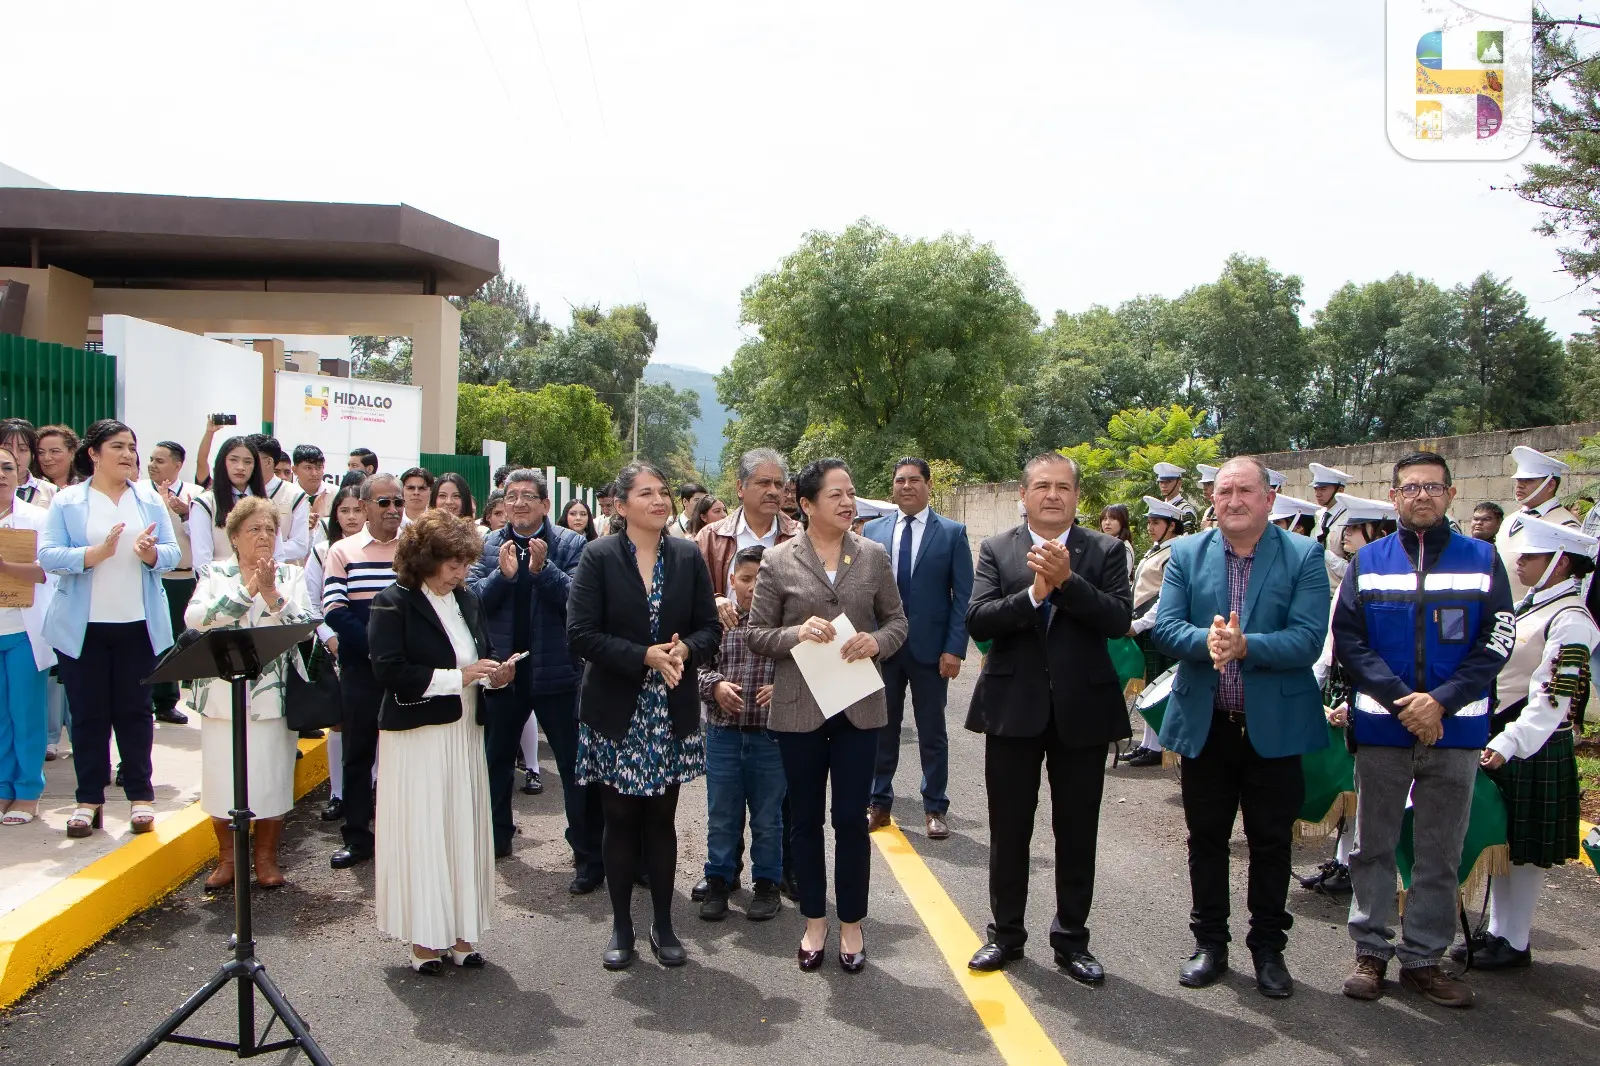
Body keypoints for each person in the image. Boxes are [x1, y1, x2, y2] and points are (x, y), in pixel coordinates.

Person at [1334, 451, 1515, 1008]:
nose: (1421, 496)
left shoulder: (1483, 560)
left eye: (1432, 487)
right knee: (1373, 845)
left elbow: (1497, 641)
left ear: (1450, 494)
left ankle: (1423, 959)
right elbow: (1350, 642)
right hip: (1383, 730)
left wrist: (1439, 702)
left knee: (1440, 850)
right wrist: (1401, 701)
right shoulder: (1369, 562)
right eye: (1410, 487)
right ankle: (1370, 950)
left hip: (1454, 732)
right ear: (1394, 497)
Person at [1152, 457, 1331, 999]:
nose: (1232, 500)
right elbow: (1166, 628)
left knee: (1271, 843)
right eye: (1224, 491)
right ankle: (1210, 942)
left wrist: (1247, 645)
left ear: (1269, 499)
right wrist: (1206, 644)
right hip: (1209, 727)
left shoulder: (1304, 555)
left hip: (1273, 729)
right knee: (1206, 839)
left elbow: (1307, 639)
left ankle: (1268, 949)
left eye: (1245, 491)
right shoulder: (1186, 553)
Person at [962, 453, 1130, 983]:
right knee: (1009, 829)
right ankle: (1005, 935)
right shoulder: (997, 549)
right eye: (1042, 486)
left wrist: (1068, 583)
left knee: (1077, 832)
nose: (1053, 494)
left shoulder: (1105, 550)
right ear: (1025, 493)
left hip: (1083, 710)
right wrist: (1035, 594)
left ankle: (1072, 940)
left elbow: (1119, 619)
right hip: (1013, 710)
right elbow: (978, 619)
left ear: (1077, 497)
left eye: (1063, 487)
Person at [747, 458, 907, 974]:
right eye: (835, 494)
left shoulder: (874, 554)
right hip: (800, 710)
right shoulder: (777, 560)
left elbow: (898, 621)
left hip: (860, 706)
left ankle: (853, 925)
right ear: (807, 504)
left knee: (850, 822)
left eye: (851, 492)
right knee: (806, 821)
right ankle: (814, 920)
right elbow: (756, 634)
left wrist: (876, 642)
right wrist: (797, 634)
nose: (847, 502)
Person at [568, 460, 720, 969]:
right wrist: (643, 655)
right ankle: (621, 925)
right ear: (621, 504)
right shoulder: (598, 557)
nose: (660, 501)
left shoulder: (686, 556)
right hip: (617, 708)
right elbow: (581, 634)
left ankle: (664, 922)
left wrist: (683, 652)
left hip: (669, 709)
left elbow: (707, 629)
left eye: (664, 493)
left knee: (662, 818)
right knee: (619, 818)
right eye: (647, 493)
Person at [369, 509, 516, 974]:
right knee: (426, 832)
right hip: (419, 739)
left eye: (464, 562)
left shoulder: (467, 600)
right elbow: (389, 671)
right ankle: (423, 940)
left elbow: (478, 659)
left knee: (460, 831)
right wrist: (459, 677)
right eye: (451, 563)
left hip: (464, 733)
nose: (460, 571)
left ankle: (459, 934)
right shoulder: (392, 602)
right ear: (425, 559)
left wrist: (496, 675)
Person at [1449, 517, 1597, 970]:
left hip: (1535, 743)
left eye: (1531, 557)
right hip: (1508, 735)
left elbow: (1556, 696)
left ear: (1561, 561)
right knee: (1506, 841)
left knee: (1525, 848)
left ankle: (1513, 939)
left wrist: (1511, 741)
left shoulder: (1571, 619)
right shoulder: (1533, 606)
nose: (1522, 564)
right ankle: (1498, 931)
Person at [38, 419, 180, 839]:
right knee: (88, 716)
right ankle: (89, 800)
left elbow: (173, 552)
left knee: (135, 714)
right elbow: (48, 555)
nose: (128, 455)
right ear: (93, 454)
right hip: (84, 630)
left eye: (132, 447)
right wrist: (92, 553)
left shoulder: (148, 500)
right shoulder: (68, 501)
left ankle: (140, 796)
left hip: (137, 625)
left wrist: (152, 554)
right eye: (117, 446)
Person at [468, 469, 596, 871]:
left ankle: (587, 853)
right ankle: (496, 839)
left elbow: (581, 602)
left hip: (558, 673)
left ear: (545, 504)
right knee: (496, 761)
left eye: (528, 495)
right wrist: (501, 579)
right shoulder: (488, 545)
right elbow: (470, 603)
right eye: (511, 495)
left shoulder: (572, 543)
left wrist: (545, 572)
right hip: (504, 674)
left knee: (574, 765)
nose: (518, 502)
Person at [185, 496, 315, 891]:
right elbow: (196, 618)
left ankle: (265, 859)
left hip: (270, 698)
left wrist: (272, 593)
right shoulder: (214, 572)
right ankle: (228, 859)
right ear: (235, 536)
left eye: (271, 530)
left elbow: (305, 625)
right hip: (222, 698)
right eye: (254, 529)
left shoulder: (290, 575)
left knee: (270, 778)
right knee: (222, 780)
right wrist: (247, 590)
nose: (264, 536)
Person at [862, 457, 972, 841]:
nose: (906, 486)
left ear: (927, 485)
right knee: (881, 728)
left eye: (914, 480)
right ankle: (879, 803)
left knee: (932, 731)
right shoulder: (872, 531)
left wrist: (954, 648)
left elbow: (963, 598)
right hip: (883, 648)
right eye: (900, 480)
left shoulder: (952, 533)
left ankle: (935, 808)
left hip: (931, 650)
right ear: (892, 486)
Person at [1299, 493, 1398, 896]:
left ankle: (1358, 866)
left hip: (1371, 688)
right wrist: (1316, 681)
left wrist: (1357, 694)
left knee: (1365, 786)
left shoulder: (1388, 579)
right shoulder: (1356, 573)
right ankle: (1343, 860)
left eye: (1356, 530)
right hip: (1344, 682)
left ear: (1378, 533)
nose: (1347, 537)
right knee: (1347, 781)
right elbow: (1333, 636)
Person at [695, 544, 783, 921]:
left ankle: (767, 884)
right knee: (722, 814)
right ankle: (719, 878)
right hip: (723, 735)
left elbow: (807, 672)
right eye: (746, 578)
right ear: (732, 581)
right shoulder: (718, 624)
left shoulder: (785, 627)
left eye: (762, 578)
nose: (753, 586)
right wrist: (714, 686)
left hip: (770, 738)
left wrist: (783, 690)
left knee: (768, 817)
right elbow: (694, 668)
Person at [324, 474, 404, 869]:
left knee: (403, 754)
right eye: (384, 503)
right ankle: (358, 836)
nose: (393, 510)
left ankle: (400, 835)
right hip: (361, 667)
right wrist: (377, 650)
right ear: (366, 505)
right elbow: (334, 609)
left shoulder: (414, 548)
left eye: (398, 503)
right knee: (357, 754)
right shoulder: (343, 550)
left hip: (406, 670)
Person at [0, 445, 58, 825]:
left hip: (22, 629)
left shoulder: (37, 518)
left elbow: (49, 571)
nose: (1, 473)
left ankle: (28, 790)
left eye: (7, 467)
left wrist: (6, 566)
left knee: (26, 711)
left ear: (20, 473)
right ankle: (3, 787)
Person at [306, 484, 367, 823]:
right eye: (345, 510)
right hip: (335, 649)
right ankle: (338, 792)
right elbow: (312, 603)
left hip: (369, 651)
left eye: (358, 510)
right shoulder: (321, 552)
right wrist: (330, 639)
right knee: (340, 723)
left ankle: (370, 787)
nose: (352, 516)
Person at [1124, 496, 1185, 768]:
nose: (1150, 527)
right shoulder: (1156, 550)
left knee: (1156, 686)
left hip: (1156, 626)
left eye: (1156, 522)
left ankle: (1159, 745)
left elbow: (1165, 599)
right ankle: (1148, 744)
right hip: (1145, 626)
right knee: (1148, 685)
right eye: (1149, 522)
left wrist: (1140, 624)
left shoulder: (1174, 552)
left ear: (1172, 525)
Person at [697, 448, 800, 607]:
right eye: (764, 483)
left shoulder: (800, 537)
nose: (773, 491)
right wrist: (714, 600)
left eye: (779, 485)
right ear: (740, 488)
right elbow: (691, 592)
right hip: (724, 631)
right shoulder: (710, 538)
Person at [146, 441, 200, 726]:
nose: (153, 465)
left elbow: (204, 536)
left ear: (178, 465)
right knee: (151, 638)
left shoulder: (197, 495)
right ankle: (150, 697)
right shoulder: (139, 492)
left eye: (160, 460)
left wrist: (185, 513)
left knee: (176, 640)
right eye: (151, 459)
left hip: (183, 577)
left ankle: (167, 702)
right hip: (153, 575)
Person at [1500, 446, 1582, 603]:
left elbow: (1574, 582)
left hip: (1538, 613)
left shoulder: (1566, 525)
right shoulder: (1509, 520)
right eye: (1519, 480)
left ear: (1550, 485)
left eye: (1529, 480)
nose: (1520, 485)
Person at [189, 436, 267, 574]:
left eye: (248, 462)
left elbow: (277, 554)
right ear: (222, 462)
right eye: (233, 460)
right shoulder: (205, 504)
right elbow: (202, 562)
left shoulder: (266, 504)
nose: (240, 467)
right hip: (220, 586)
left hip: (261, 584)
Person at [244, 435, 311, 566]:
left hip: (280, 575)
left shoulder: (295, 495)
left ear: (269, 462)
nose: (245, 465)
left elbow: (300, 545)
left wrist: (260, 550)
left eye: (250, 460)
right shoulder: (240, 491)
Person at [0, 419, 55, 508]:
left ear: (33, 455)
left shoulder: (50, 491)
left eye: (22, 450)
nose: (15, 455)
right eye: (7, 449)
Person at [1309, 463, 1353, 546]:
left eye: (1323, 489)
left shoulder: (1349, 516)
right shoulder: (1319, 514)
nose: (1318, 494)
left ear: (1340, 490)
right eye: (1316, 489)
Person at [292, 445, 333, 525]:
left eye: (318, 467)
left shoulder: (337, 494)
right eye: (308, 468)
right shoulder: (287, 495)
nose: (314, 473)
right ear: (294, 470)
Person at [36, 425, 80, 491]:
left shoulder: (88, 485)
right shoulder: (31, 487)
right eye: (41, 452)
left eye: (54, 451)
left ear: (72, 453)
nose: (46, 458)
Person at [1098, 504, 1135, 583]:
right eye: (1104, 519)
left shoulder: (1124, 547)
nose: (1107, 523)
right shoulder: (1100, 544)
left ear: (1122, 522)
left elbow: (1119, 579)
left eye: (1113, 518)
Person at [1153, 461, 1198, 528]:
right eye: (1161, 482)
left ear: (1179, 483)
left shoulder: (1185, 510)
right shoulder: (1160, 508)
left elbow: (1188, 537)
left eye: (1168, 482)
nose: (1163, 485)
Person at [1196, 464, 1219, 531]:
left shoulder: (1227, 510)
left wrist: (1207, 529)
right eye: (1204, 484)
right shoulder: (1208, 511)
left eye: (1209, 484)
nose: (1204, 488)